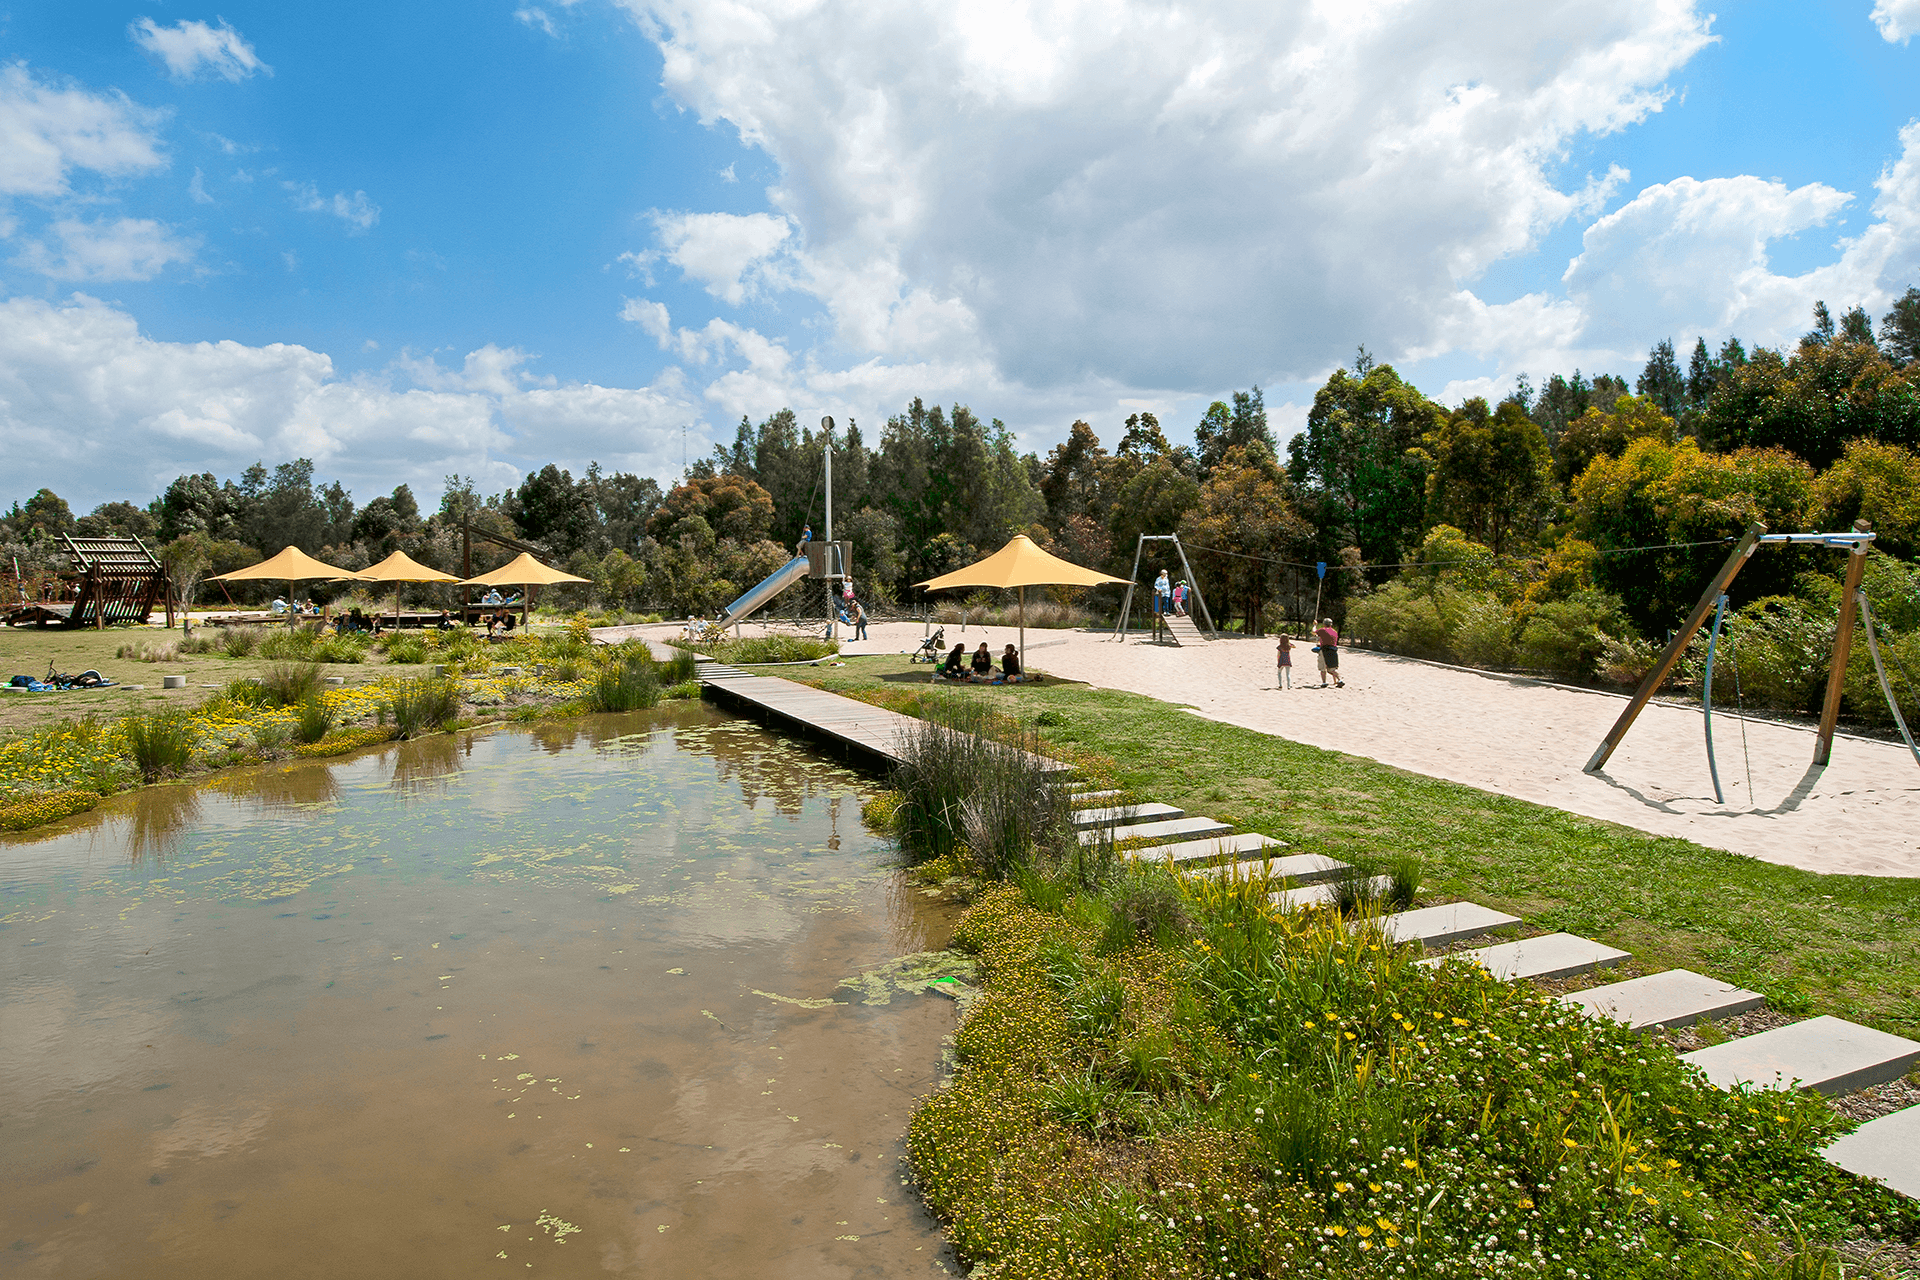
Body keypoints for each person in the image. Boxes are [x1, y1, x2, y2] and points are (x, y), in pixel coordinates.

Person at [1315, 617, 1344, 688]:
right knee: (1332, 669)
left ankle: (1324, 682)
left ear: (1324, 624)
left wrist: (1315, 625)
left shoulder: (1323, 630)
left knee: (1323, 668)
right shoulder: (1334, 632)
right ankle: (1339, 680)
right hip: (1333, 650)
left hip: (1325, 650)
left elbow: (1314, 632)